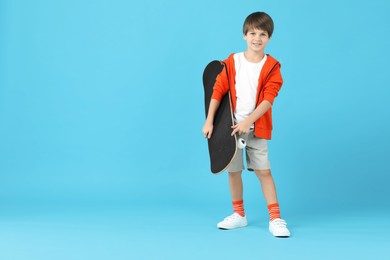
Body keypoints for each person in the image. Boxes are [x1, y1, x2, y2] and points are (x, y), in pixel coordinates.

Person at [202, 11, 290, 237]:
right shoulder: (232, 61)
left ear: (269, 38)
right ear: (244, 35)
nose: (257, 38)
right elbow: (217, 91)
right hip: (230, 129)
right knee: (233, 172)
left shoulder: (272, 67)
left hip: (256, 129)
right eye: (252, 33)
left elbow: (268, 100)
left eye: (263, 34)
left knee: (263, 171)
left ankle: (276, 218)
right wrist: (210, 121)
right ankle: (239, 215)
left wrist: (248, 122)